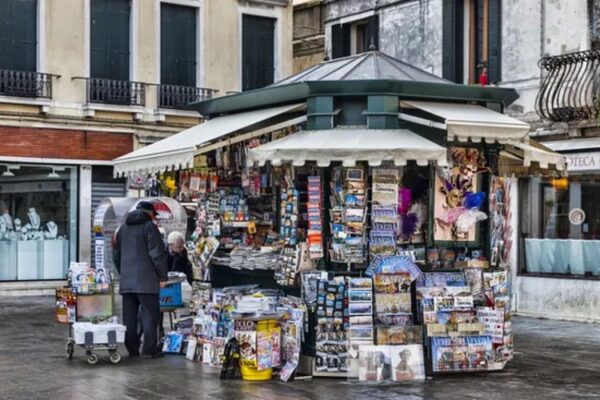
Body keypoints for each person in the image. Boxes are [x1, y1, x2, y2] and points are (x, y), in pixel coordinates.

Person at [113, 201, 168, 358]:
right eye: (153, 214)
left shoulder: (123, 229)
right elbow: (157, 254)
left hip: (127, 282)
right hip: (146, 281)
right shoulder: (149, 227)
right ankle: (149, 350)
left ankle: (132, 349)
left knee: (129, 317)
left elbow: (116, 255)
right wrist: (162, 275)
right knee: (151, 315)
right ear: (149, 213)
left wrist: (123, 273)